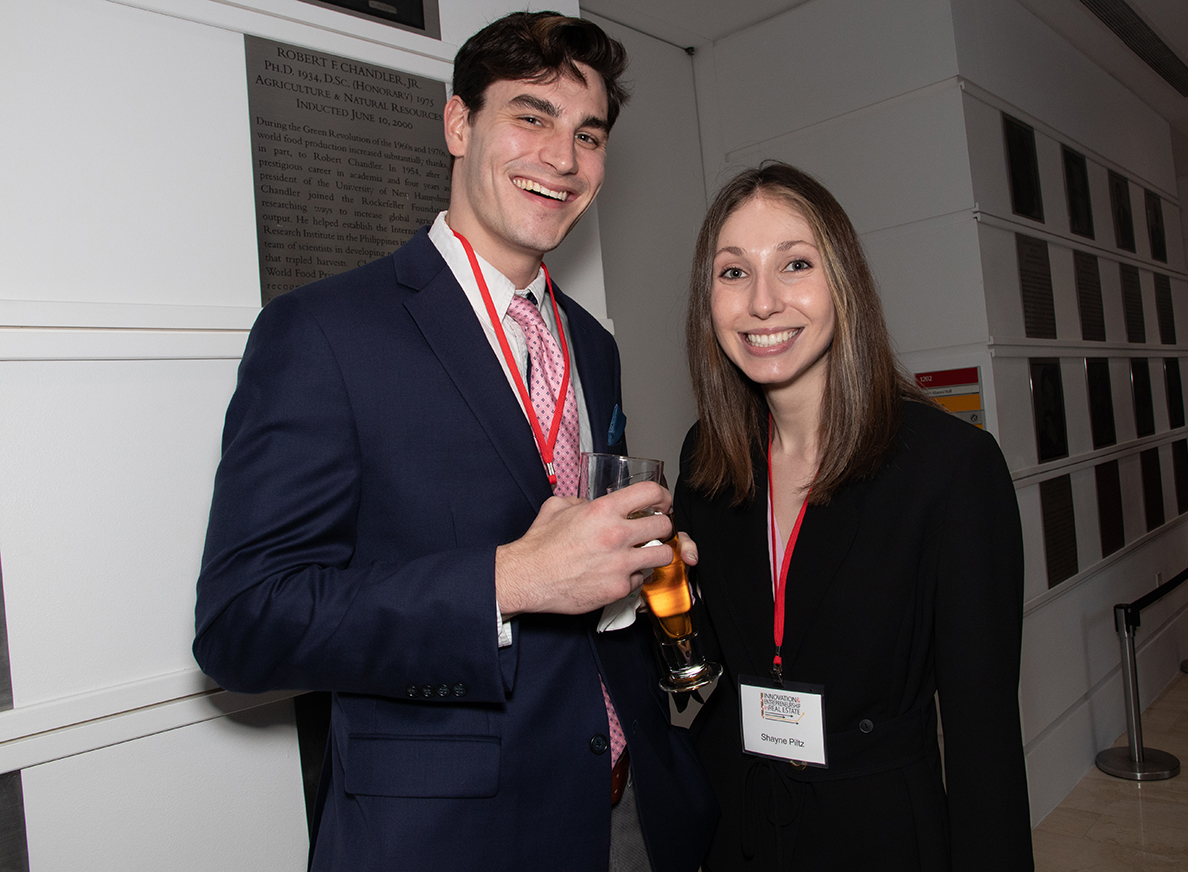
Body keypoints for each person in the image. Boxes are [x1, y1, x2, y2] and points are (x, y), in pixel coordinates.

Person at [194, 12, 717, 872]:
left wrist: (632, 562)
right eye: (532, 116)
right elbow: (243, 625)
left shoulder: (593, 343)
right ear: (458, 124)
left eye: (588, 134)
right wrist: (508, 580)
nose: (562, 158)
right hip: (447, 834)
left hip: (624, 801)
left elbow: (571, 541)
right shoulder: (324, 332)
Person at [675, 163, 1034, 870]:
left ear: (843, 283)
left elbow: (982, 741)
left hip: (879, 833)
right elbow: (707, 667)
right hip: (741, 824)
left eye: (796, 264)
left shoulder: (950, 468)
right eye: (734, 272)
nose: (764, 302)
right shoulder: (707, 459)